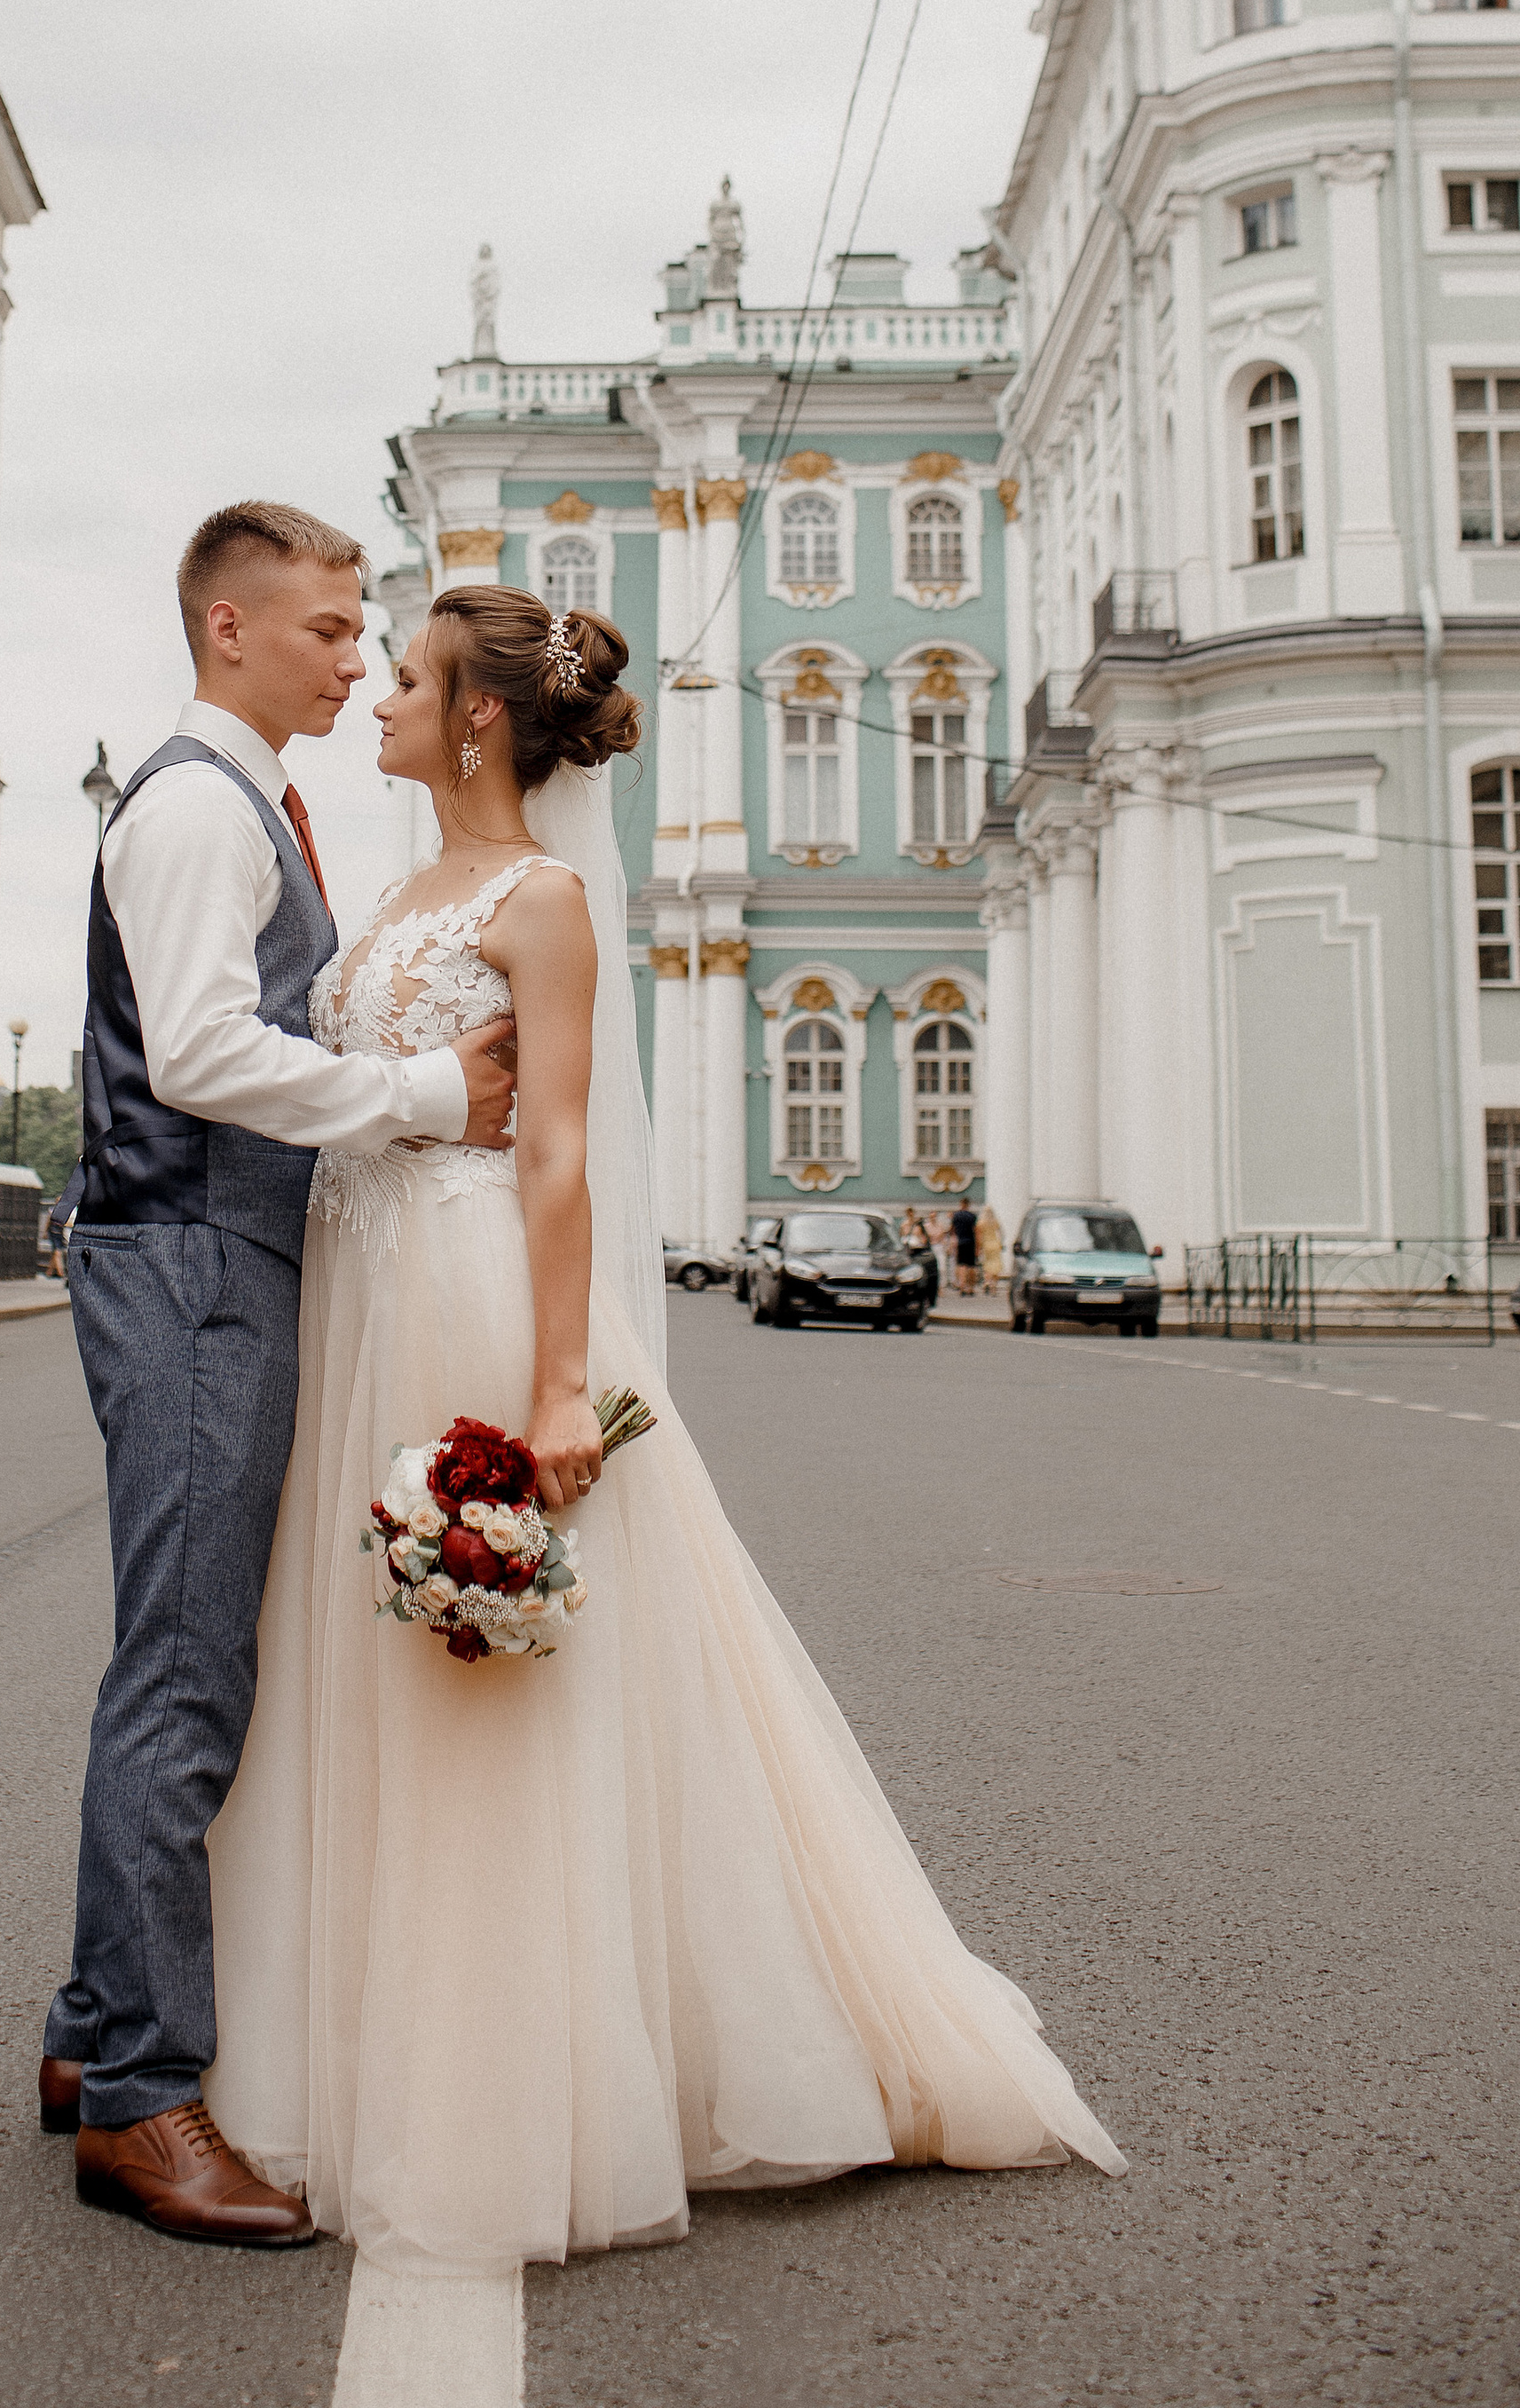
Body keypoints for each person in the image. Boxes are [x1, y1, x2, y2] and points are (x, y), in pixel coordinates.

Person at [204, 584, 1123, 2270]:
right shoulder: (400, 886)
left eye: (407, 678)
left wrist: (560, 1383)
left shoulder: (543, 901)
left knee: (483, 1686)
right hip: (360, 1295)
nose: (384, 700)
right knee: (359, 1665)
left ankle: (507, 2082)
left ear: (479, 717)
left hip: (468, 1292)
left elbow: (555, 1154)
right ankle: (349, 2043)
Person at [39, 503, 519, 2246]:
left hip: (212, 1263)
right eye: (328, 628)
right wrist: (419, 1102)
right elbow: (197, 1049)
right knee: (182, 1684)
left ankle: (90, 2037)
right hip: (182, 1268)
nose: (354, 655)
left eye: (359, 631)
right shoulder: (187, 802)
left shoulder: (242, 801)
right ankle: (144, 2103)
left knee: (177, 1664)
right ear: (228, 629)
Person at [953, 1195, 981, 1295]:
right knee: (971, 1266)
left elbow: (953, 1231)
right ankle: (971, 1288)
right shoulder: (972, 1216)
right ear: (968, 1205)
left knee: (961, 1265)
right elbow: (976, 1231)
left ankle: (962, 1286)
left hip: (960, 1242)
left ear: (961, 1204)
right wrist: (978, 1246)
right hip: (970, 1242)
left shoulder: (956, 1216)